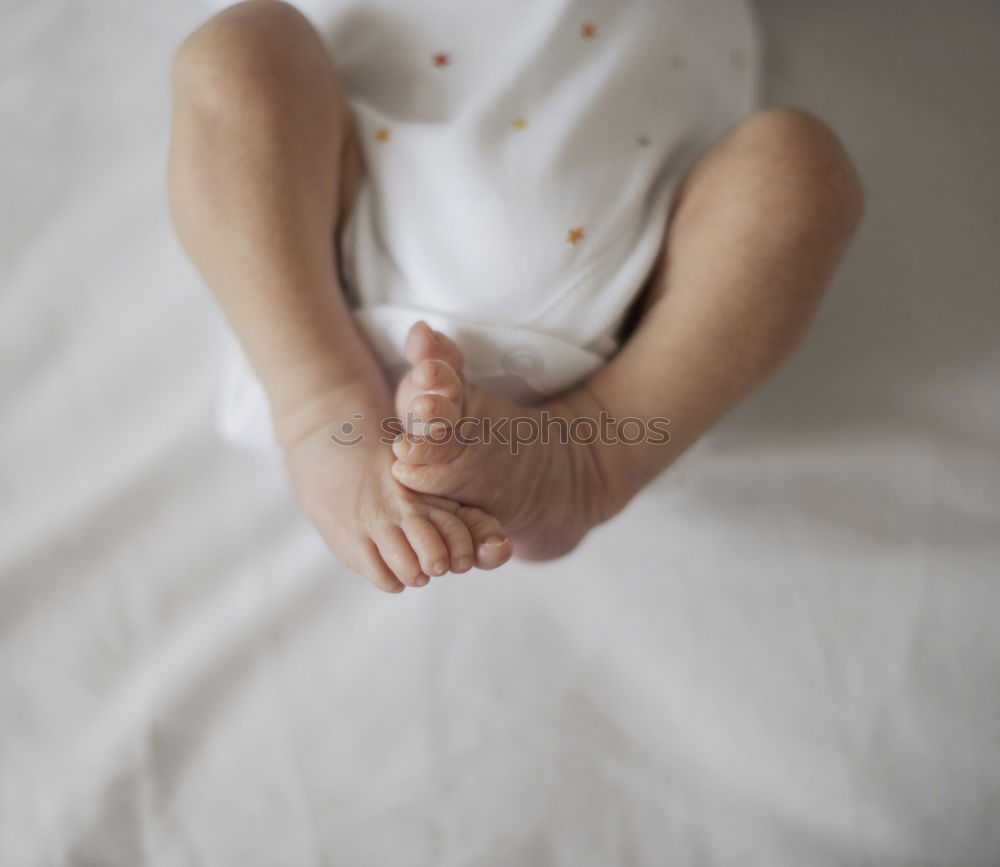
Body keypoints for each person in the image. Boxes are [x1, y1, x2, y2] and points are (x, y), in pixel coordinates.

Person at [167, 0, 863, 593]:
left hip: (638, 334)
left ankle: (589, 465)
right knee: (239, 52)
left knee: (800, 173)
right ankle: (317, 404)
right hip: (336, 253)